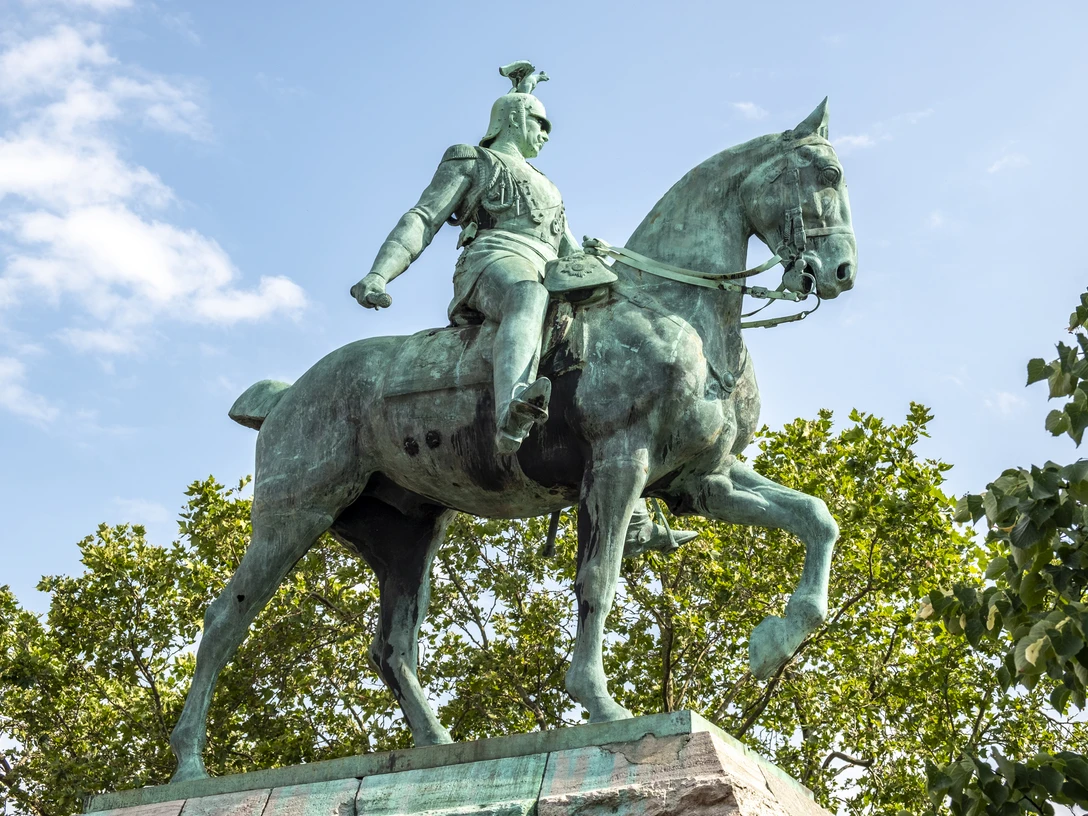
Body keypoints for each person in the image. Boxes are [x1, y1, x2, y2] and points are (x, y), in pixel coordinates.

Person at [351, 64, 695, 550]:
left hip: (548, 270)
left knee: (616, 346)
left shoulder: (549, 187)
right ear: (513, 120)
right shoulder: (472, 159)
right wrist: (379, 273)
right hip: (492, 262)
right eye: (540, 124)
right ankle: (513, 406)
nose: (545, 135)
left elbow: (568, 250)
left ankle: (634, 518)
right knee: (527, 294)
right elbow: (423, 217)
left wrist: (606, 265)